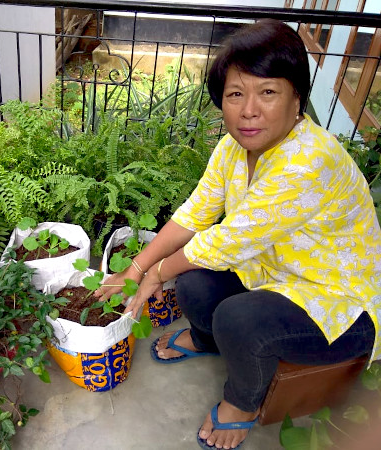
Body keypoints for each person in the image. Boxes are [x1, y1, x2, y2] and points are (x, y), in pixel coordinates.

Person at [96, 19, 381, 450]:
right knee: (193, 281)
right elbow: (197, 211)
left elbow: (228, 241)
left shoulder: (308, 160)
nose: (248, 110)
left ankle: (243, 403)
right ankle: (210, 340)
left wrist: (154, 272)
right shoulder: (235, 146)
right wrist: (138, 267)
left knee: (237, 317)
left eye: (268, 92)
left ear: (297, 98)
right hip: (274, 272)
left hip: (337, 302)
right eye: (235, 94)